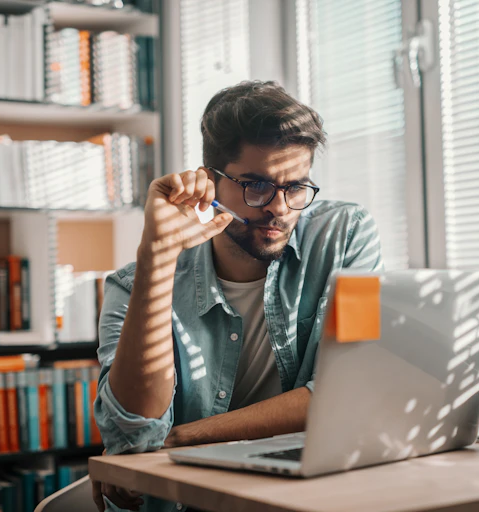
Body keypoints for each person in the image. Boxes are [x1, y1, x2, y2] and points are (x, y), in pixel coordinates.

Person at [92, 81, 383, 511]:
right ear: (209, 182)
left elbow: (345, 393)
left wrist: (185, 437)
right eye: (256, 185)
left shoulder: (345, 236)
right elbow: (134, 435)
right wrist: (157, 255)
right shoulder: (131, 285)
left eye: (296, 186)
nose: (280, 208)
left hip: (302, 496)